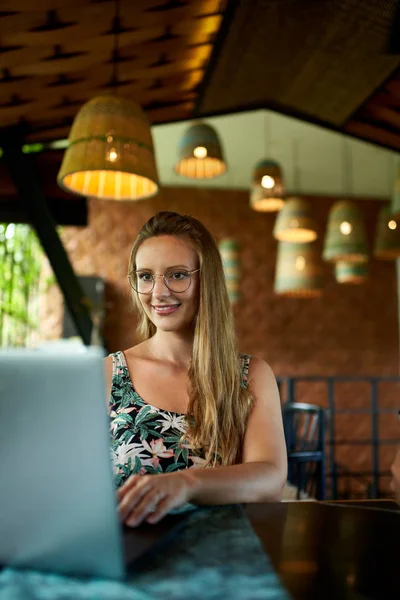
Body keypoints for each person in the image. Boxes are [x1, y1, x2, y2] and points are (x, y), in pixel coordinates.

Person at [104, 211, 287, 528]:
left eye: (176, 275)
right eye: (146, 276)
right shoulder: (108, 373)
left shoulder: (251, 374)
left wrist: (187, 483)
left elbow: (270, 479)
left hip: (223, 559)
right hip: (131, 561)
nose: (158, 292)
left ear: (207, 280)